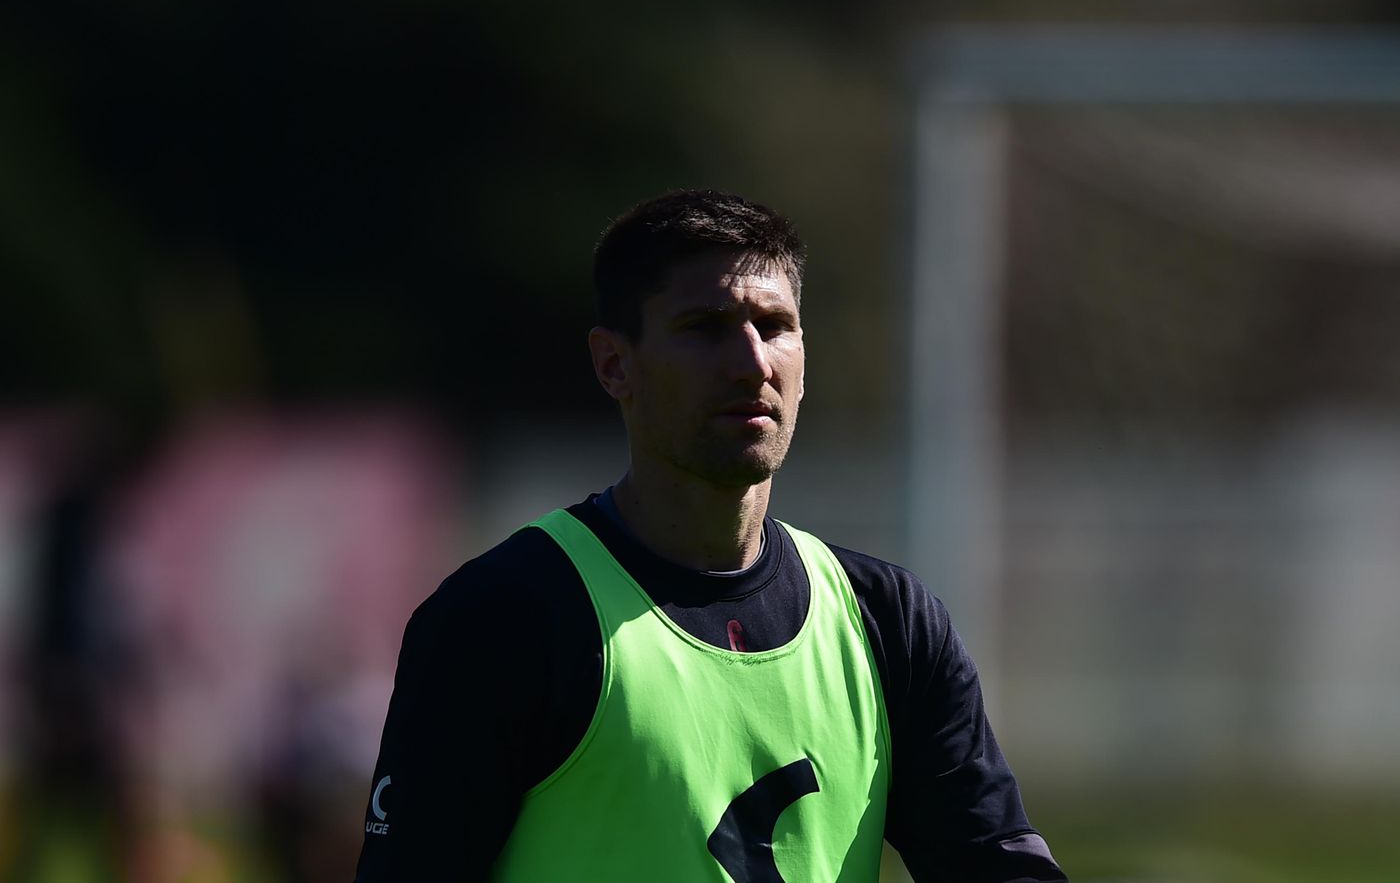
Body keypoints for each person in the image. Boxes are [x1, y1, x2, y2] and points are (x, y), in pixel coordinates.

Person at [353, 190, 1066, 881]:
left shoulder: (889, 623)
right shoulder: (507, 615)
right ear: (614, 363)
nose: (751, 361)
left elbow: (995, 862)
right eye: (705, 327)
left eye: (774, 325)